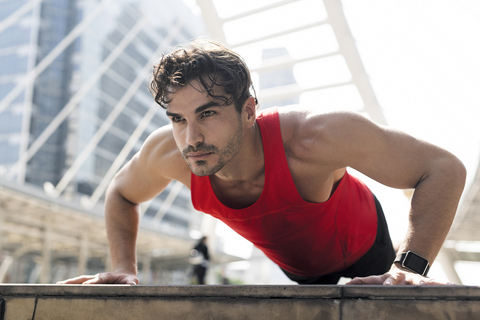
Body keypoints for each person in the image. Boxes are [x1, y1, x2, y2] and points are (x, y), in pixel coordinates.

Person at [57, 39, 466, 286]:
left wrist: (410, 266)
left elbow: (443, 168)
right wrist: (124, 267)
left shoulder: (315, 136)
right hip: (299, 271)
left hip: (364, 244)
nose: (191, 137)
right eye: (177, 119)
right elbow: (121, 193)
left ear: (249, 111)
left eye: (208, 113)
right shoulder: (169, 153)